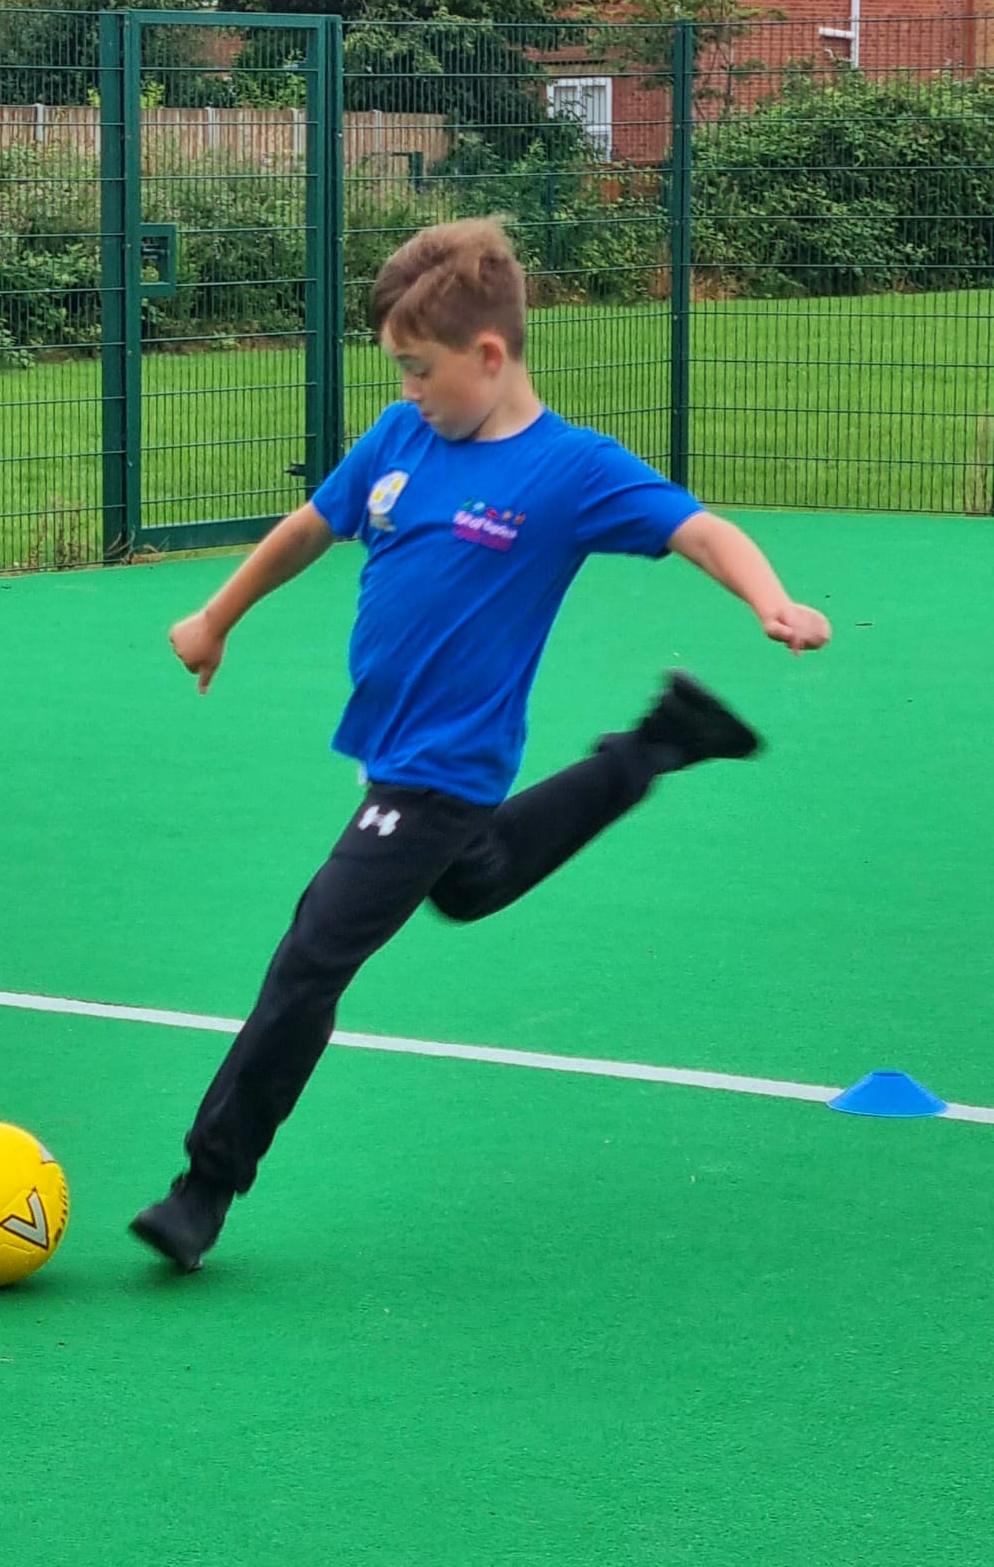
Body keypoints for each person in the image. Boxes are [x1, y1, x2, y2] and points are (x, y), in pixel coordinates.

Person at [130, 217, 831, 1273]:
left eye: (421, 370)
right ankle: (658, 743)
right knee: (475, 878)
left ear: (490, 357)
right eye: (400, 371)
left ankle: (205, 1186)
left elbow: (699, 529)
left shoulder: (568, 470)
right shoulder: (400, 439)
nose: (409, 389)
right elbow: (311, 526)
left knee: (313, 953)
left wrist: (772, 599)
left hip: (442, 767)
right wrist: (217, 615)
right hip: (391, 751)